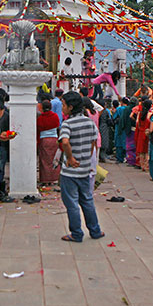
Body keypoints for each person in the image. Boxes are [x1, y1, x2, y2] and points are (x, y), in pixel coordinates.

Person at [58, 92, 104, 242]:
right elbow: (93, 143)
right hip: (85, 168)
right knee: (87, 200)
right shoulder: (89, 122)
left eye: (64, 105)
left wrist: (70, 157)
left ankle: (77, 233)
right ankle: (95, 230)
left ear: (70, 107)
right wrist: (85, 158)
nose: (62, 108)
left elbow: (64, 142)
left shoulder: (67, 124)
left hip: (70, 172)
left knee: (72, 203)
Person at [37, 99, 61, 184]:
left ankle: (45, 180)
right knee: (54, 160)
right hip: (54, 140)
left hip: (44, 140)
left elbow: (38, 129)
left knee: (44, 161)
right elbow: (58, 126)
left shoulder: (40, 118)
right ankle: (55, 178)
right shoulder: (55, 116)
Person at [134, 99, 152, 171]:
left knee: (141, 151)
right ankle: (147, 166)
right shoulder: (150, 114)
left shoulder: (140, 113)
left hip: (140, 133)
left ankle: (142, 166)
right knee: (146, 151)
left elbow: (137, 124)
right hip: (147, 133)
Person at [113, 97, 129, 163]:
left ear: (122, 102)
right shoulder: (129, 109)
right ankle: (127, 157)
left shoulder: (119, 109)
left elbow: (114, 117)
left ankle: (119, 158)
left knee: (118, 142)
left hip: (119, 127)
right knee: (126, 142)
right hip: (126, 128)